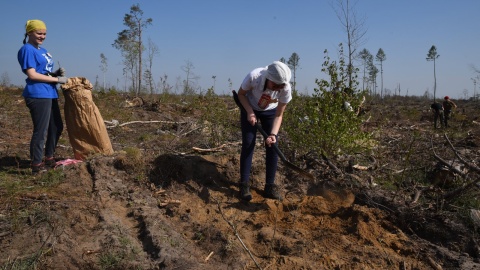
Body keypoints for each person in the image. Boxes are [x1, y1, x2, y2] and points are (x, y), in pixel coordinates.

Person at [17, 20, 68, 174]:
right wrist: (57, 80)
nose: (42, 36)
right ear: (29, 33)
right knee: (41, 130)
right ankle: (37, 164)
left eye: (44, 33)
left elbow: (42, 71)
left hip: (50, 93)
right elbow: (32, 74)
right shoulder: (27, 49)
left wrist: (55, 74)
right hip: (38, 94)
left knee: (56, 126)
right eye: (39, 33)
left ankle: (49, 157)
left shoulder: (42, 50)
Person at [237, 61, 292, 201]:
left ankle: (269, 186)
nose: (278, 89)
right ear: (268, 78)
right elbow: (241, 94)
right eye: (275, 85)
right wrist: (249, 112)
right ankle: (243, 185)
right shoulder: (254, 77)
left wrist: (273, 134)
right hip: (249, 107)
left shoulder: (285, 88)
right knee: (249, 143)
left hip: (270, 112)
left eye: (281, 86)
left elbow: (279, 114)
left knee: (273, 146)